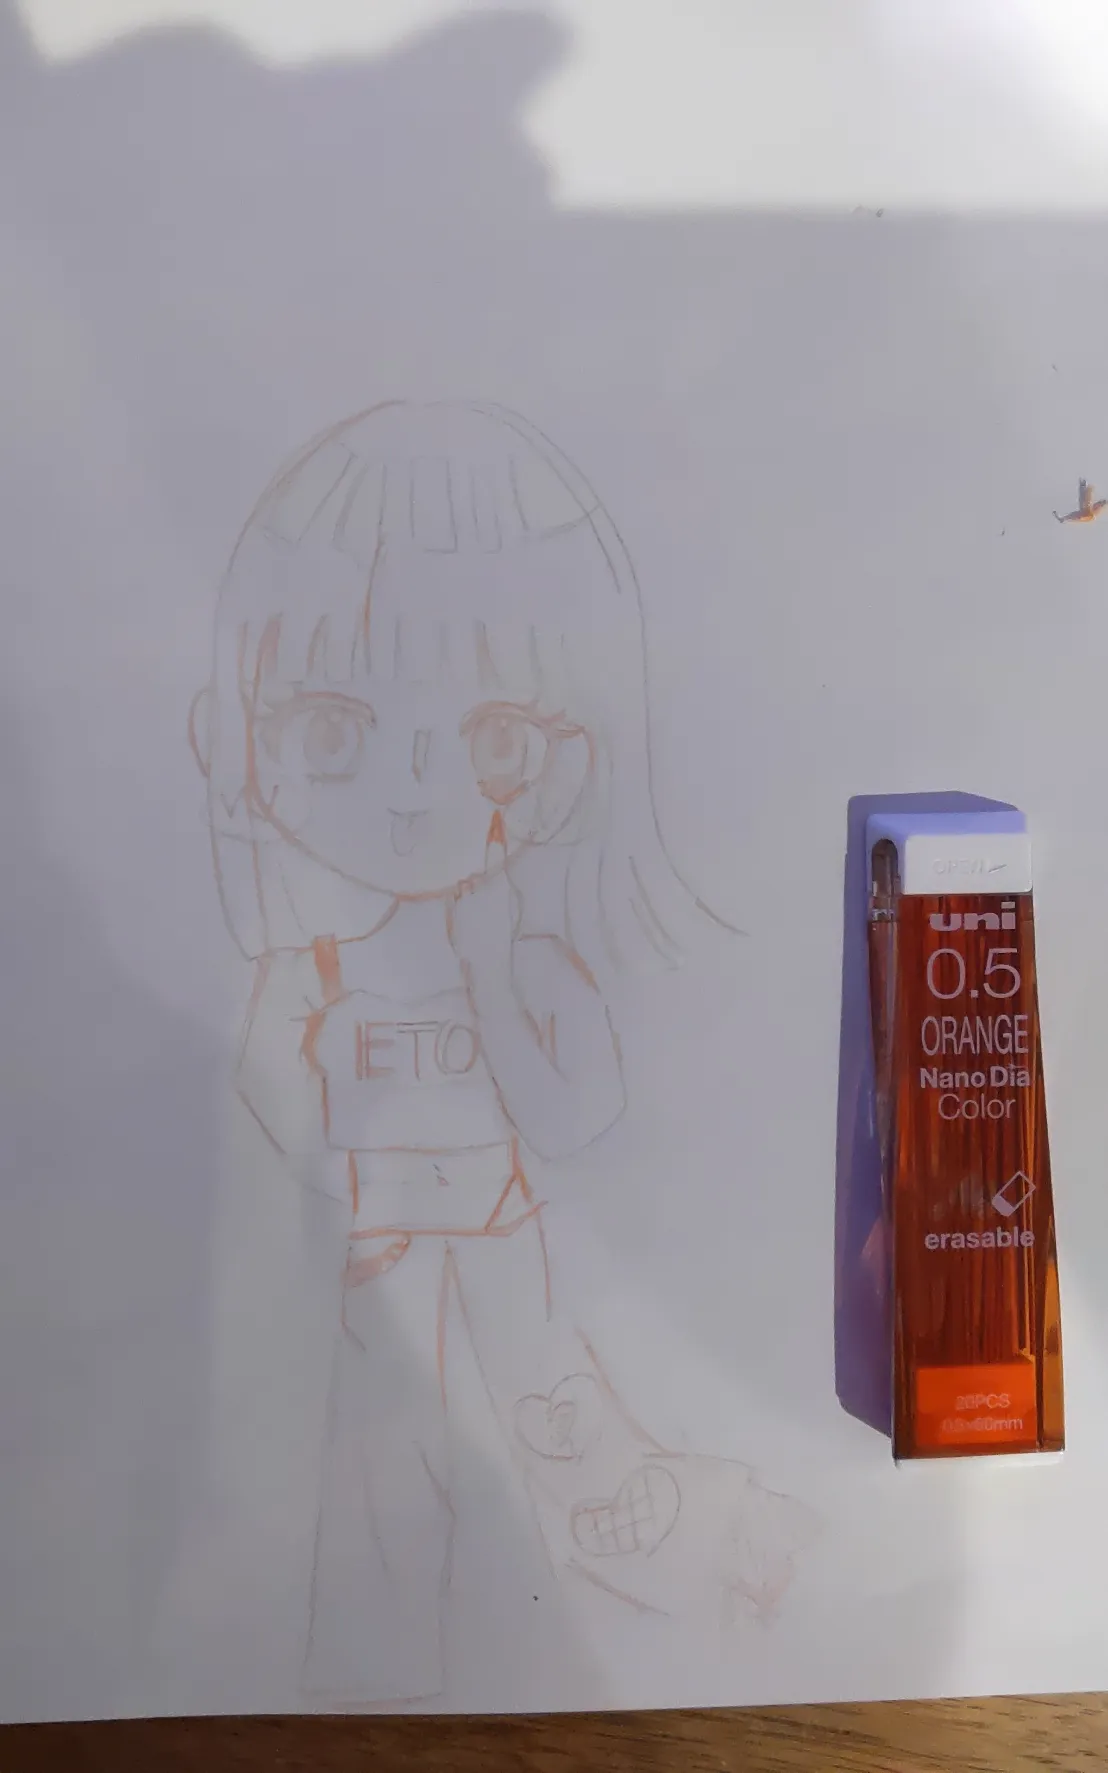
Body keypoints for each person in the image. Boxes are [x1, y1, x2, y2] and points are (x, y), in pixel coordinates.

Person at [191, 401, 814, 1701]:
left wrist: (484, 977)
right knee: (382, 1507)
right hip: (380, 1277)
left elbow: (574, 1111)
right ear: (240, 747)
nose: (412, 791)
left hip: (507, 1266)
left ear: (560, 769)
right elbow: (274, 1116)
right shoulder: (303, 973)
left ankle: (717, 1552)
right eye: (332, 733)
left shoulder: (525, 965)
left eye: (489, 741)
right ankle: (388, 1685)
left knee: (575, 1494)